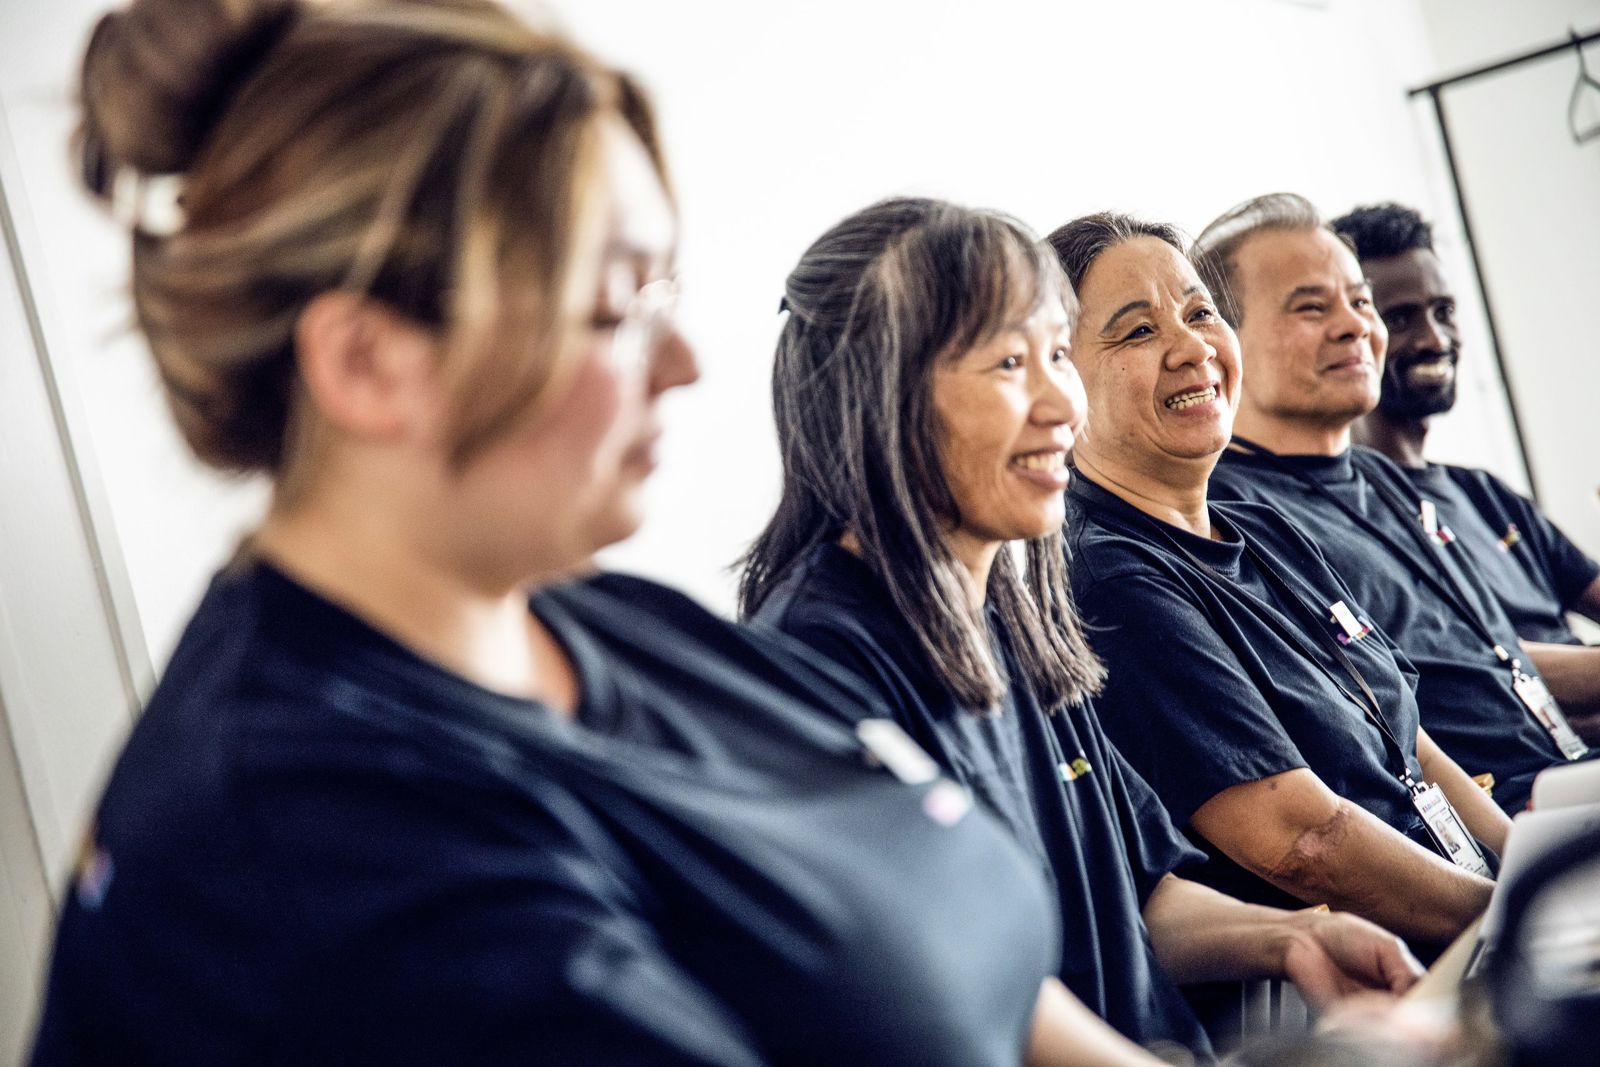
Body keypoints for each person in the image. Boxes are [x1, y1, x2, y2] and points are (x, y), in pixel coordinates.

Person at [34, 3, 1119, 1063]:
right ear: (368, 363)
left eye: (667, 288)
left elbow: (978, 966)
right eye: (617, 305)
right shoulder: (309, 842)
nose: (685, 360)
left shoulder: (607, 619)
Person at [740, 197, 1423, 1063]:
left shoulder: (1010, 612)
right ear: (883, 395)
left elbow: (1138, 897)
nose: (1062, 402)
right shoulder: (821, 661)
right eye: (1007, 363)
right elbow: (962, 994)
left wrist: (1292, 938)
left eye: (1058, 355)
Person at [1050, 212, 1507, 960]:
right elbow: (1305, 840)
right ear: (1057, 377)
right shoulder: (1109, 579)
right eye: (1137, 332)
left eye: (1200, 313)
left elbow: (1413, 747)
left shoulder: (1263, 526)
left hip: (1472, 916)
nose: (1192, 346)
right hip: (1378, 972)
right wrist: (1509, 919)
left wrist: (1526, 872)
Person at [1195, 194, 1594, 815]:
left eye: (1359, 301)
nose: (1356, 325)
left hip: (1564, 777)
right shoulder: (1232, 516)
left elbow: (1492, 665)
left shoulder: (1386, 479)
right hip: (1496, 825)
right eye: (1311, 307)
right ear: (1223, 339)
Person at [1331, 202, 1600, 737]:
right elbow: (1473, 670)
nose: (1434, 339)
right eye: (1400, 317)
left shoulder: (1481, 492)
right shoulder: (1342, 521)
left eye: (1444, 311)